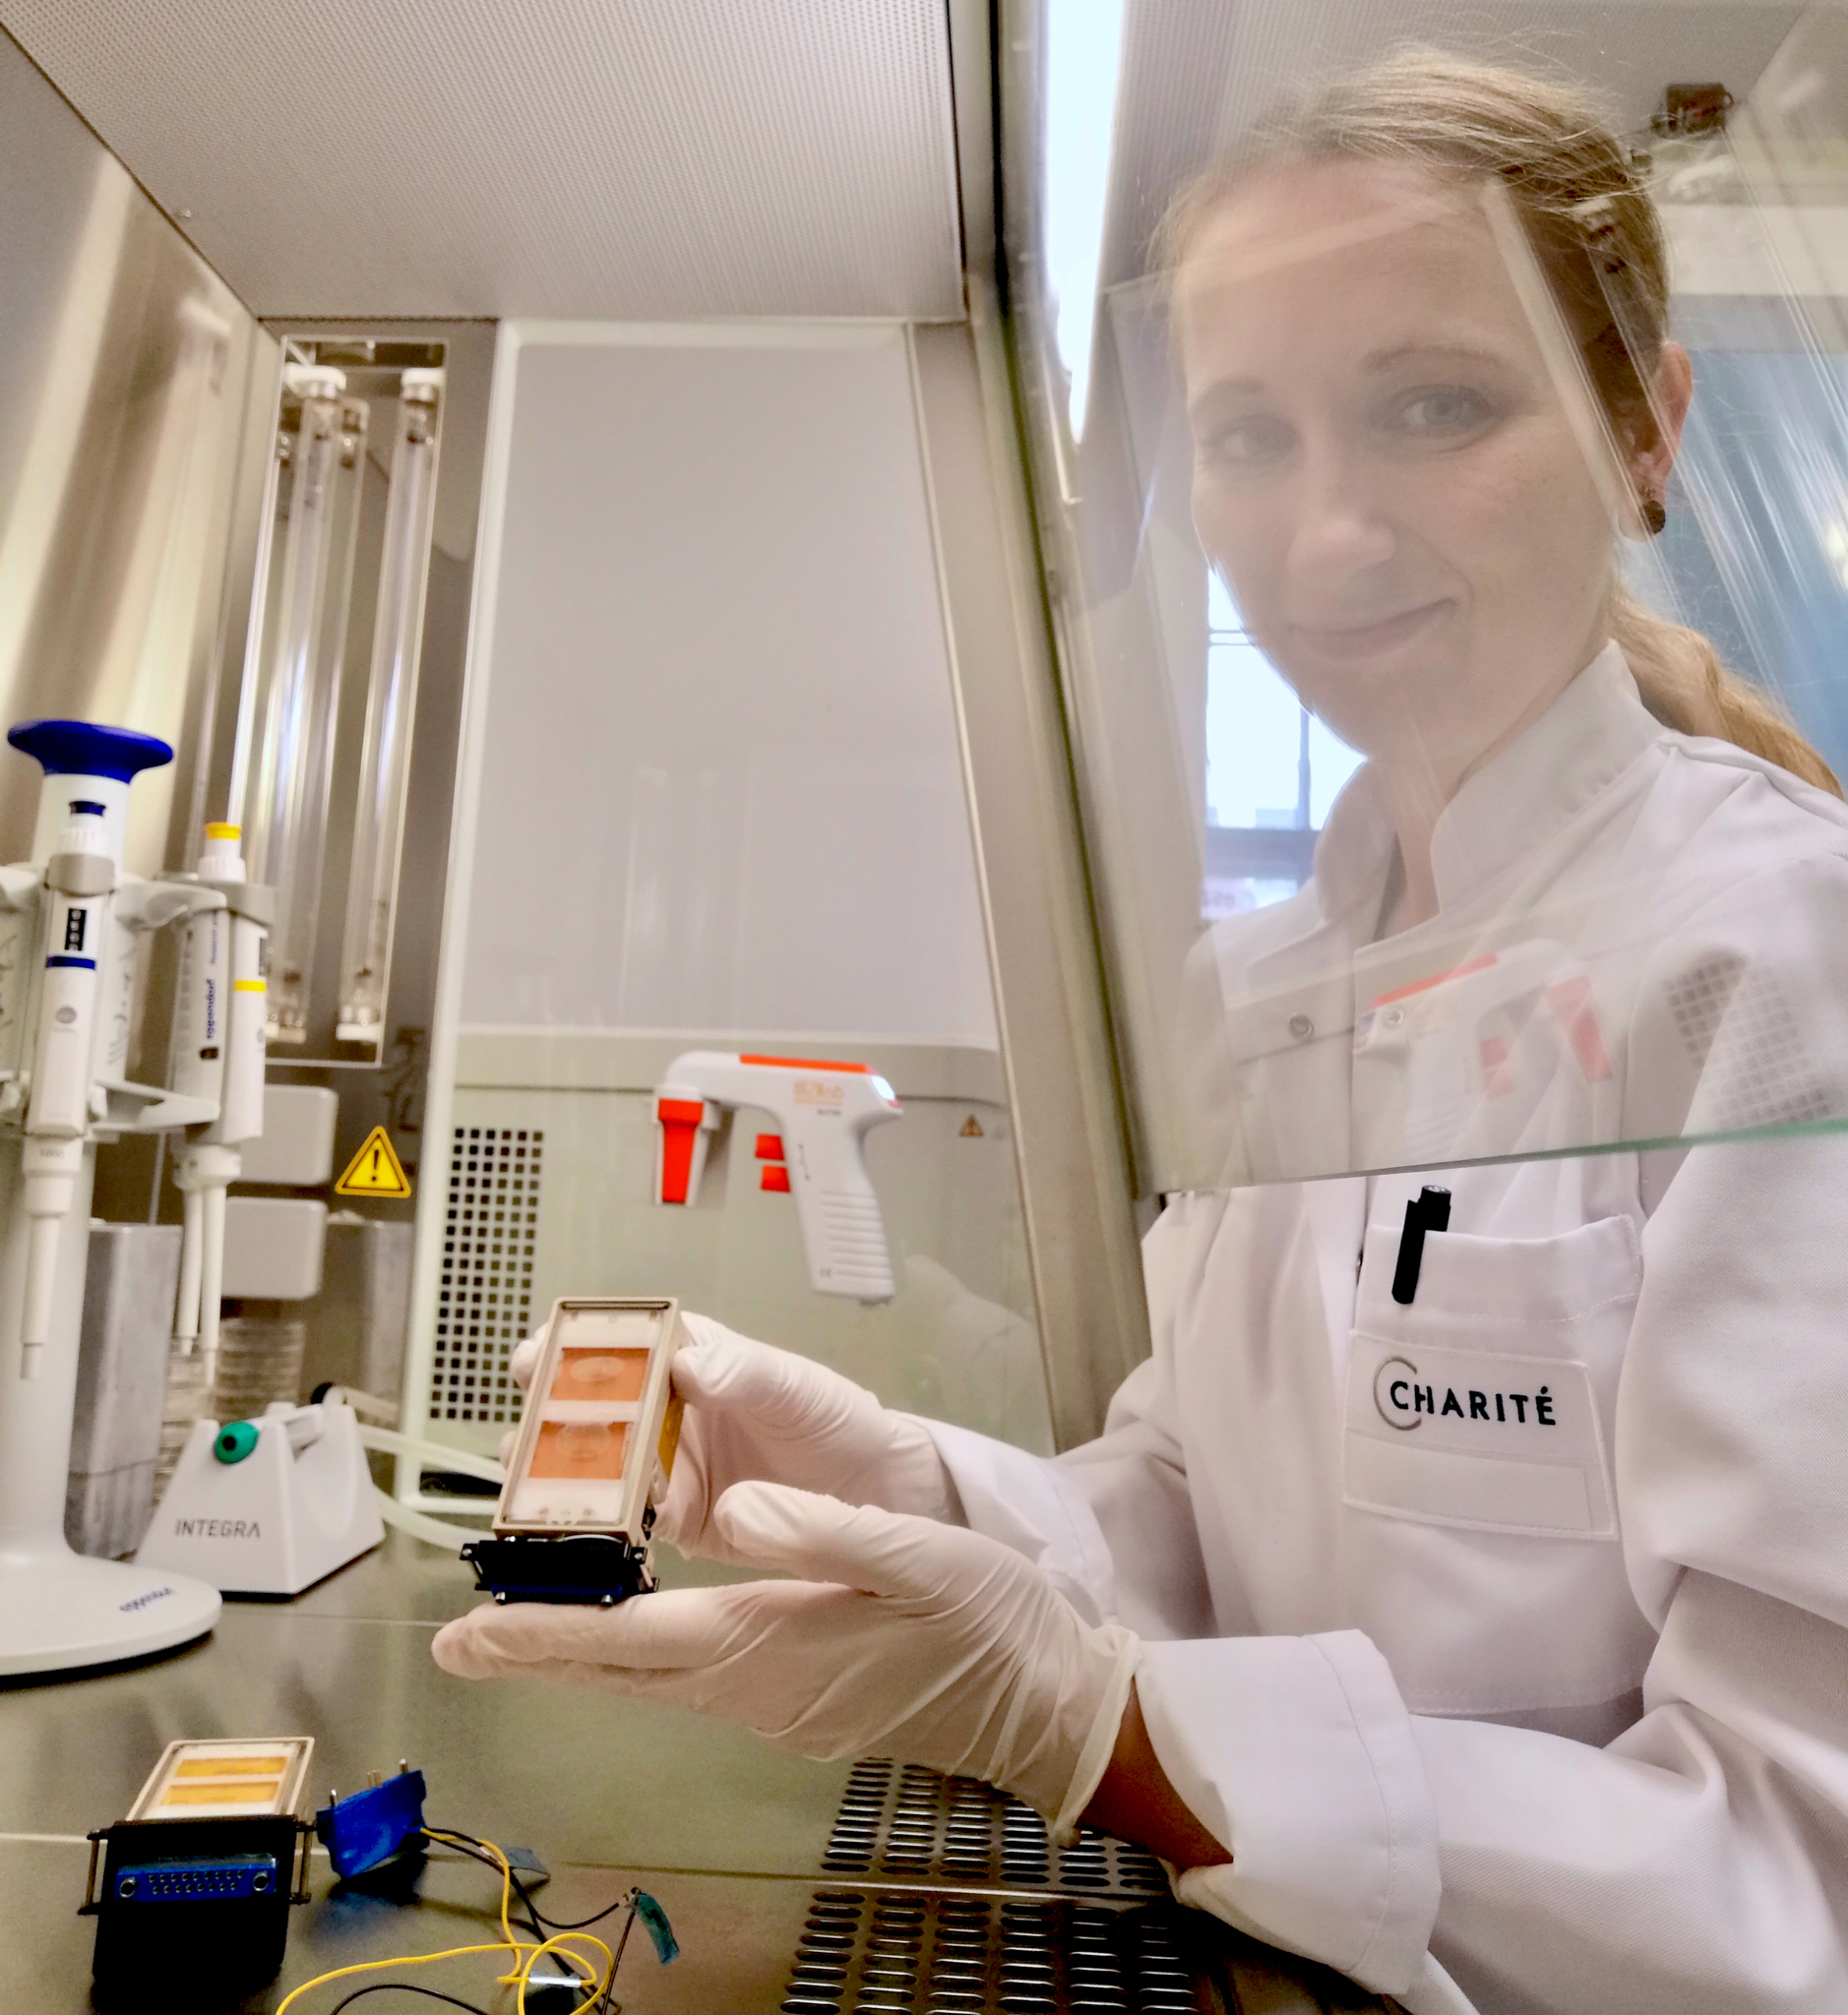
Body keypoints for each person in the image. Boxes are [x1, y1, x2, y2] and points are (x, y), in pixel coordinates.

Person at [434, 55, 1848, 2015]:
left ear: (1643, 432)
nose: (1326, 534)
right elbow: (1204, 1505)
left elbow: (1794, 1876)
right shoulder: (1261, 986)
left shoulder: (1783, 958)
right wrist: (929, 1490)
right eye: (1252, 436)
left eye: (1434, 404)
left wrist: (1116, 1741)